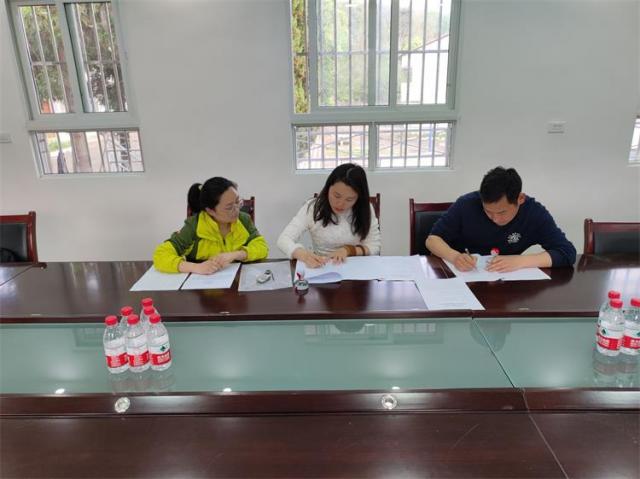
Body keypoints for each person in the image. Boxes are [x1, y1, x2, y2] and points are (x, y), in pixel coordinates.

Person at [426, 166, 576, 272]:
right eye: (488, 211)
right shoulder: (467, 204)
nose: (495, 219)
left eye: (502, 212)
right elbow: (432, 240)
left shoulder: (534, 213)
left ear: (520, 199)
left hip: (506, 285)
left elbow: (566, 252)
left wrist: (520, 261)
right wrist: (455, 257)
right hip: (463, 278)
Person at [153, 177, 268, 274]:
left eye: (238, 201)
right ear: (210, 210)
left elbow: (262, 247)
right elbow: (160, 255)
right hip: (202, 287)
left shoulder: (243, 220)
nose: (237, 209)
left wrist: (237, 254)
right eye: (229, 207)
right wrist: (196, 267)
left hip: (237, 282)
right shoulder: (194, 226)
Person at [277, 163, 381, 268]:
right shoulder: (313, 208)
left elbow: (374, 246)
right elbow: (283, 239)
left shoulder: (365, 209)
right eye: (337, 196)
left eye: (349, 199)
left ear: (358, 198)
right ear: (328, 188)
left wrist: (348, 250)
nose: (340, 204)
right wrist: (304, 255)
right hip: (322, 266)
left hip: (356, 267)